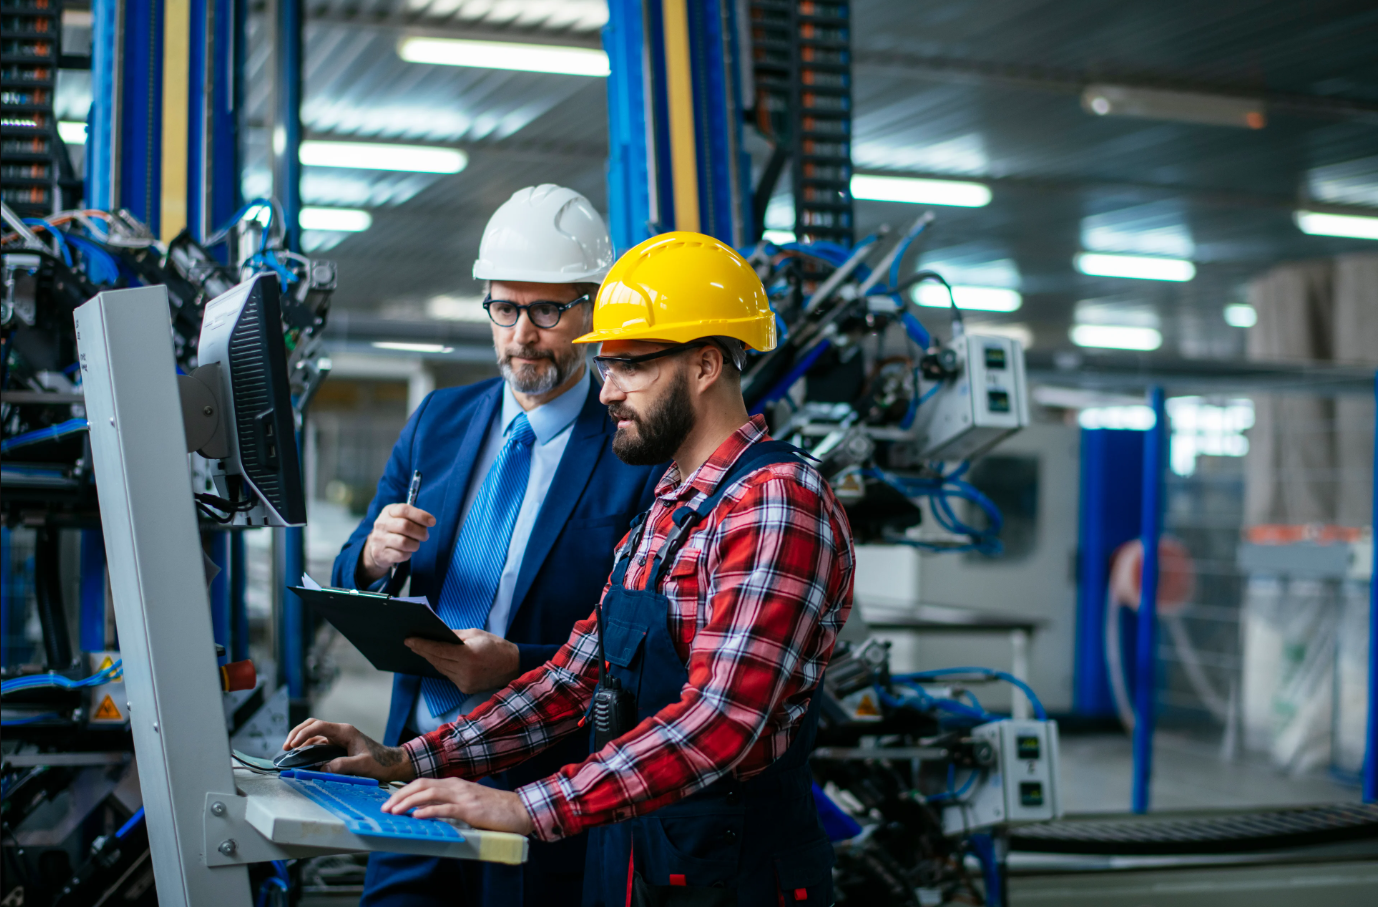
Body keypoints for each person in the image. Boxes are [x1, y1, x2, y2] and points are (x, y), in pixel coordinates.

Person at [293, 231, 856, 906]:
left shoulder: (774, 501)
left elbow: (719, 721)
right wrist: (406, 758)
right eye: (605, 365)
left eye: (630, 366)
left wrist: (529, 806)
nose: (607, 391)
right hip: (639, 867)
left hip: (731, 879)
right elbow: (575, 678)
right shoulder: (671, 504)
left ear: (706, 365)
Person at [331, 185, 665, 906]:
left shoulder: (632, 449)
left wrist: (516, 664)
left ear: (592, 310)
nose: (521, 335)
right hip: (413, 773)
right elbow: (349, 567)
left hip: (542, 791)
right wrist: (372, 554)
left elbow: (645, 649)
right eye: (505, 308)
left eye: (547, 310)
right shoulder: (441, 420)